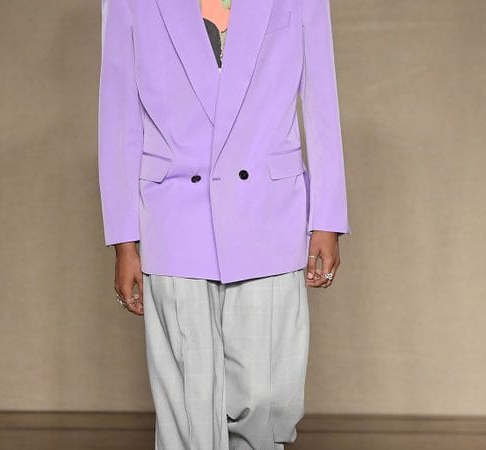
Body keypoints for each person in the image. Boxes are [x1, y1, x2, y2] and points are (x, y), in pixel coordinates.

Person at [98, 0, 351, 448]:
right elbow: (119, 115)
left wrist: (326, 219)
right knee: (189, 404)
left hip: (269, 213)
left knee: (266, 396)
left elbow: (321, 101)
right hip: (175, 214)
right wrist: (124, 240)